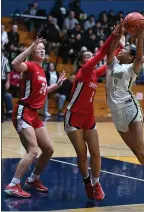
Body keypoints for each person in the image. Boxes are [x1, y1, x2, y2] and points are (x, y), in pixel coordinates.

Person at [64, 23, 124, 200]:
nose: (92, 57)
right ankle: (86, 182)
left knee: (96, 153)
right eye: (88, 56)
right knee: (82, 155)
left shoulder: (94, 74)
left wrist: (121, 44)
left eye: (91, 55)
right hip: (73, 117)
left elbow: (111, 61)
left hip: (89, 117)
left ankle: (96, 183)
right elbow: (101, 54)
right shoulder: (83, 72)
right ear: (83, 62)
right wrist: (113, 35)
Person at [106, 23, 144, 196]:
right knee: (135, 150)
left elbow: (140, 57)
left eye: (124, 51)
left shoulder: (131, 68)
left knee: (140, 148)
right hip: (117, 115)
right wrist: (117, 34)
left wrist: (140, 37)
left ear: (130, 57)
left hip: (130, 109)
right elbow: (110, 50)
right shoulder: (112, 64)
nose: (120, 51)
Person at [4, 37, 66, 198]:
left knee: (48, 149)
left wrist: (56, 86)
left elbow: (42, 92)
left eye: (43, 48)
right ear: (32, 52)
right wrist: (30, 48)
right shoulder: (29, 66)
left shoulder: (41, 70)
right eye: (38, 48)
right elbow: (15, 64)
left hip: (34, 115)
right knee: (32, 151)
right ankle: (13, 184)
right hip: (23, 112)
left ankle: (33, 179)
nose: (42, 50)